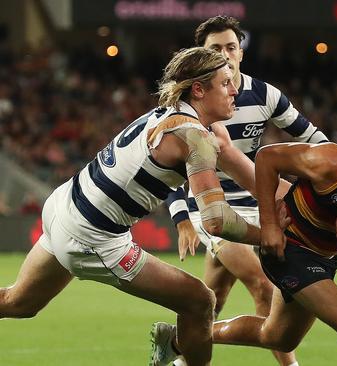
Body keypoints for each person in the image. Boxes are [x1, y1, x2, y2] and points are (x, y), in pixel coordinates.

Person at [0, 47, 264, 366]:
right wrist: (270, 236)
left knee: (18, 303)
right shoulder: (193, 136)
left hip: (64, 206)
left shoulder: (179, 117)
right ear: (198, 89)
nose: (235, 89)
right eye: (225, 83)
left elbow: (258, 181)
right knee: (199, 301)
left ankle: (173, 347)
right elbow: (217, 222)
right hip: (92, 238)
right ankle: (173, 349)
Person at [153, 126, 337, 365]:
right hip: (288, 245)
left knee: (277, 336)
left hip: (323, 259)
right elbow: (267, 157)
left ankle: (179, 339)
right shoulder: (335, 161)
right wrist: (270, 226)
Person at [165, 15, 328, 366]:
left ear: (241, 52)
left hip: (257, 199)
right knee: (262, 283)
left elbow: (314, 139)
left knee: (214, 296)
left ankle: (178, 350)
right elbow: (172, 166)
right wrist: (181, 219)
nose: (224, 54)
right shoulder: (189, 103)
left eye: (230, 47)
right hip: (211, 208)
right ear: (201, 55)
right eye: (215, 49)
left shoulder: (265, 95)